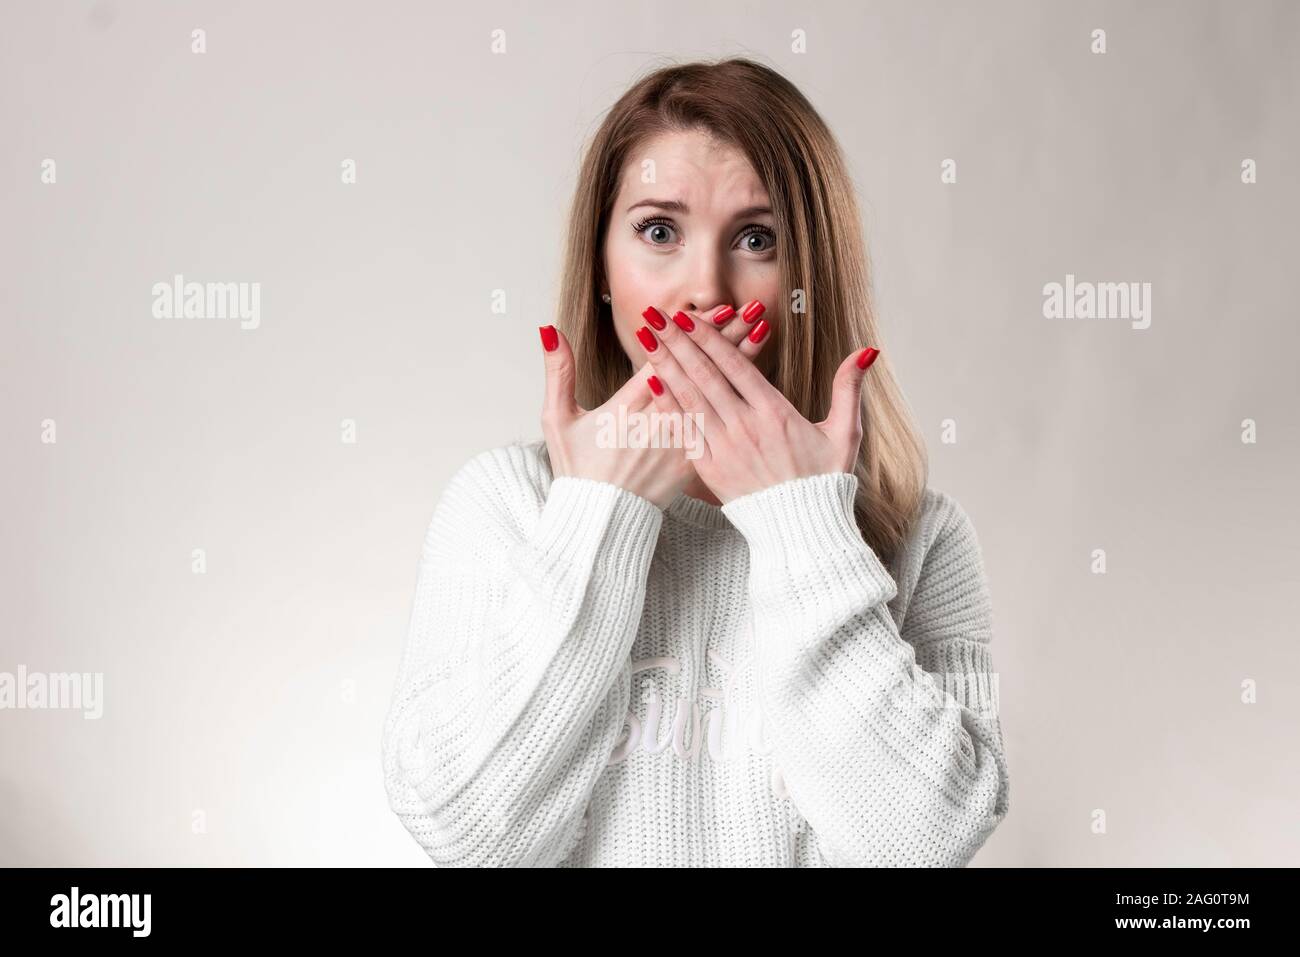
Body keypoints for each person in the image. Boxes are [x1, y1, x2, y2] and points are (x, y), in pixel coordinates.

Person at [381, 57, 1011, 867]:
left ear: (807, 278)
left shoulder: (918, 531)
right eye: (658, 231)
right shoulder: (505, 502)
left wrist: (802, 524)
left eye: (757, 238)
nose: (704, 288)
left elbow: (926, 843)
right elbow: (468, 833)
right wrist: (599, 515)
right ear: (602, 269)